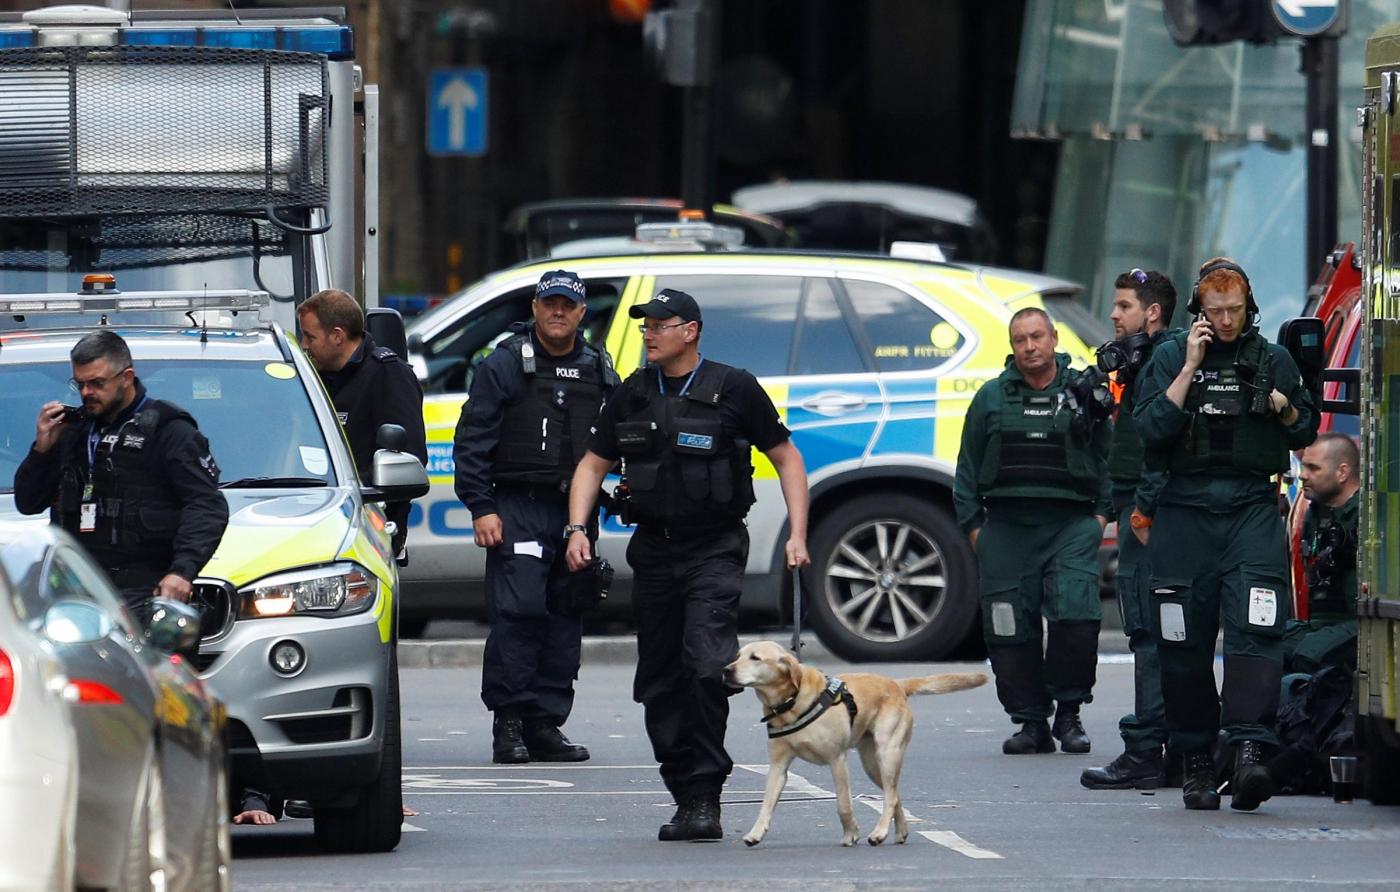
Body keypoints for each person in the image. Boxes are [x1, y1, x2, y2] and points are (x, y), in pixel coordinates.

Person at [564, 288, 810, 842]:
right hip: (653, 550)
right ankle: (683, 792)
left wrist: (798, 534)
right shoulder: (632, 393)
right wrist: (578, 529)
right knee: (659, 680)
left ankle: (705, 796)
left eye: (659, 324)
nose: (648, 333)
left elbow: (787, 457)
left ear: (690, 330)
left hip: (715, 549)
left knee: (706, 665)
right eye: (645, 325)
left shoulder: (733, 387)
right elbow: (591, 465)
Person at [1133, 257, 1319, 812]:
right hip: (1185, 513)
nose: (1227, 320)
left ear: (1250, 307)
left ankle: (1248, 754)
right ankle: (1194, 759)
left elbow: (1307, 428)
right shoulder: (1170, 355)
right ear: (1198, 312)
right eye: (1216, 312)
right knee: (1182, 640)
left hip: (1251, 510)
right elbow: (1149, 430)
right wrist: (1189, 367)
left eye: (1235, 310)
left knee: (1257, 631)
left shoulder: (1273, 359)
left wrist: (1282, 405)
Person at [453, 270, 619, 764]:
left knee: (566, 615)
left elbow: (614, 439)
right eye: (550, 303)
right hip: (518, 505)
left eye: (568, 305)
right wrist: (481, 506)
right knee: (519, 613)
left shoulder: (598, 367)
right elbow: (473, 439)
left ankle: (545, 723)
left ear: (582, 312)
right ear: (535, 308)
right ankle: (509, 723)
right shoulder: (506, 364)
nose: (558, 312)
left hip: (575, 511)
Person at [954, 308, 1112, 757]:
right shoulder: (990, 398)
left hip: (1069, 526)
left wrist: (1099, 519)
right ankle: (1030, 721)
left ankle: (1069, 714)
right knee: (1008, 628)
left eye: (1037, 337)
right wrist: (976, 532)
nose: (1030, 347)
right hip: (1005, 528)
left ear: (1054, 337)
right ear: (1012, 345)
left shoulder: (1084, 392)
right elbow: (966, 472)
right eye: (1020, 339)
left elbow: (1110, 458)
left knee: (1076, 619)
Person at [14, 330, 228, 620]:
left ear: (127, 377)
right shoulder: (73, 430)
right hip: (76, 589)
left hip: (144, 588)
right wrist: (41, 450)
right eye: (80, 384)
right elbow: (28, 503)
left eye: (97, 383)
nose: (87, 392)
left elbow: (205, 504)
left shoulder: (169, 431)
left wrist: (182, 572)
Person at [1082, 269, 1181, 790]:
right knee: (1162, 632)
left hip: (1150, 518)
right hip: (1141, 511)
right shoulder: (1143, 362)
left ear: (1153, 312)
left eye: (1123, 306)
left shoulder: (1160, 362)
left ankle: (1146, 750)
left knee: (1146, 629)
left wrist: (1141, 510)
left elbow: (1161, 444)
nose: (1115, 316)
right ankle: (1180, 750)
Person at [297, 288, 427, 557]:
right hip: (313, 519)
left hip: (369, 523)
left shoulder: (388, 375)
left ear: (337, 336)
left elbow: (409, 458)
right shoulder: (315, 376)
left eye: (310, 336)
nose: (304, 345)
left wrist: (359, 489)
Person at [1285, 432, 1359, 675]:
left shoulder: (1367, 517)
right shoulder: (1314, 514)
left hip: (1361, 625)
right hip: (1318, 623)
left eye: (1313, 468)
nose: (1302, 475)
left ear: (1342, 473)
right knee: (1257, 649)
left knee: (1309, 655)